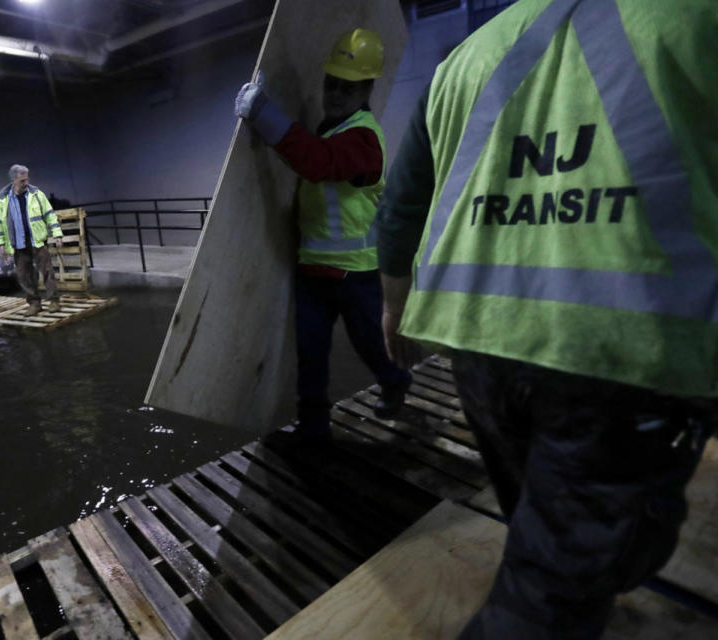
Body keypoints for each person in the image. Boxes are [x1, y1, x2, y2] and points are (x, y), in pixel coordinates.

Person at [375, 0, 718, 637]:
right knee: (551, 596)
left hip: (477, 343)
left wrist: (395, 306)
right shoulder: (694, 19)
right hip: (625, 355)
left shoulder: (464, 58)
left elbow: (399, 211)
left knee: (549, 527)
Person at [235, 28, 412, 439]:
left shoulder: (365, 139)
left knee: (370, 344)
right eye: (331, 83)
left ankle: (396, 380)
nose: (334, 92)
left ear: (366, 89)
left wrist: (264, 112)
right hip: (314, 271)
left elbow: (317, 163)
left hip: (356, 273)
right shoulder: (330, 127)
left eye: (346, 87)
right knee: (310, 355)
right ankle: (314, 430)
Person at [0, 164, 64, 316]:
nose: (26, 183)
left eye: (27, 179)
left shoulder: (36, 194)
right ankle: (34, 303)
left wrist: (57, 233)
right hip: (17, 243)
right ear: (13, 181)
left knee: (47, 272)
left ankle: (54, 301)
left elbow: (50, 214)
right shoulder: (1, 200)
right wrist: (1, 244)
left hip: (37, 240)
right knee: (24, 275)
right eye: (22, 181)